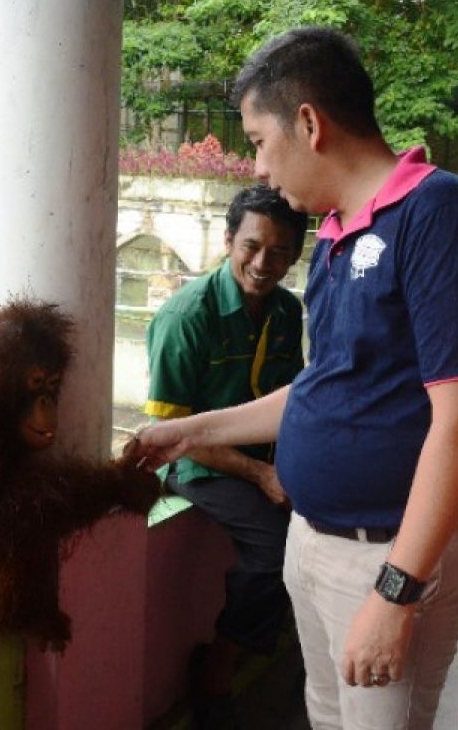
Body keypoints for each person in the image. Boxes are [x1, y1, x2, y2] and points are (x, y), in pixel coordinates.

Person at [130, 27, 458, 730]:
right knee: (327, 716)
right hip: (316, 542)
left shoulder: (438, 214)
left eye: (256, 140)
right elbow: (322, 391)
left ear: (307, 123)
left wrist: (397, 592)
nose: (258, 165)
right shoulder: (336, 236)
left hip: (387, 555)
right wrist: (186, 433)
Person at [143, 184, 307, 723]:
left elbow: (290, 402)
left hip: (263, 460)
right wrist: (260, 474)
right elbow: (169, 430)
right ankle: (215, 671)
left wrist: (289, 469)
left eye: (280, 252)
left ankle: (285, 642)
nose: (264, 263)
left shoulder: (285, 311)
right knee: (276, 548)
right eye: (252, 246)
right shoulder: (186, 316)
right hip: (197, 466)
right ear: (228, 239)